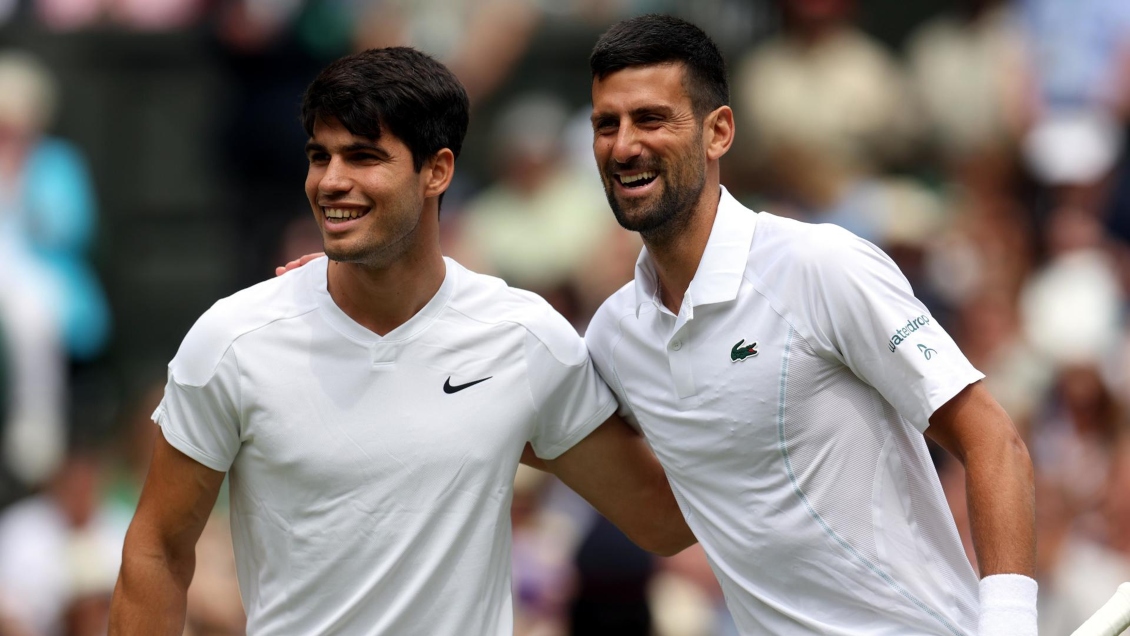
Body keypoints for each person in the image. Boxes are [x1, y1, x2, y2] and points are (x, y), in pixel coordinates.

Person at [109, 46, 692, 635]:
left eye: (363, 157)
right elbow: (157, 550)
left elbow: (662, 521)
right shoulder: (233, 339)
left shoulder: (523, 339)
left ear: (437, 171)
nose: (331, 182)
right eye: (320, 156)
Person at [582, 14, 1036, 636]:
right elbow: (665, 523)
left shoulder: (821, 265)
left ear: (718, 132)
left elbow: (993, 440)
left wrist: (1010, 623)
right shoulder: (614, 337)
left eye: (651, 119)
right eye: (606, 124)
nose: (624, 145)